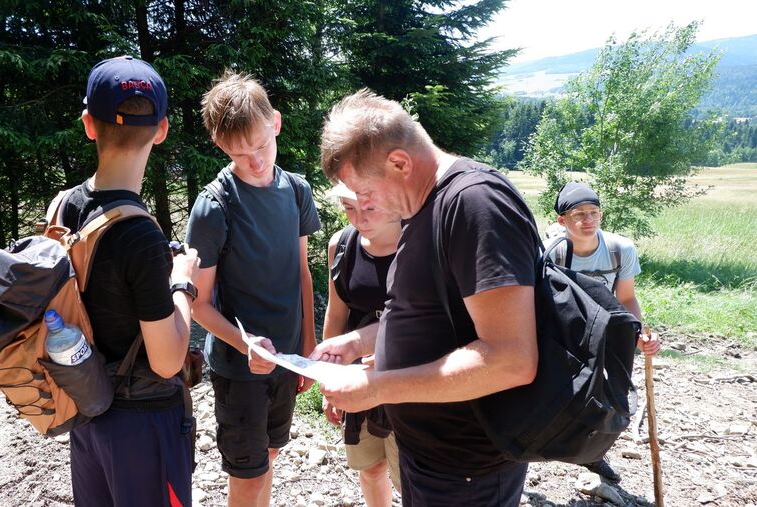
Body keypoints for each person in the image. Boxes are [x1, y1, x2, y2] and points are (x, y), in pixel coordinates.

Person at [310, 89, 540, 507]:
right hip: (428, 455)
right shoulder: (421, 207)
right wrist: (359, 342)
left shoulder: (474, 204)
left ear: (399, 162)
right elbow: (431, 316)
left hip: (467, 465)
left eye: (363, 191)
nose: (361, 207)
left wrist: (377, 388)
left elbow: (510, 359)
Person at [62, 56, 201, 506]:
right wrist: (182, 283)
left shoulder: (63, 208)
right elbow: (165, 362)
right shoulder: (140, 236)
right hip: (144, 426)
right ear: (160, 130)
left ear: (89, 124)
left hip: (87, 413)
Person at [185, 71, 321, 507]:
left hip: (287, 357)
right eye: (240, 154)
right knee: (248, 473)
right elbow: (199, 305)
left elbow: (302, 272)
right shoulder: (214, 206)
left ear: (276, 123)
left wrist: (308, 344)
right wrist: (245, 345)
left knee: (270, 452)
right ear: (222, 148)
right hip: (238, 368)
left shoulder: (297, 191)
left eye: (261, 146)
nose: (256, 162)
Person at [546, 181, 662, 482]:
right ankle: (531, 452)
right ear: (562, 220)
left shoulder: (620, 249)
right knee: (554, 395)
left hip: (607, 329)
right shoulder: (552, 252)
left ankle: (593, 456)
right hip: (564, 329)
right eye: (578, 214)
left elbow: (625, 299)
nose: (588, 220)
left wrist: (637, 334)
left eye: (594, 212)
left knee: (613, 397)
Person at [322, 183, 401, 507]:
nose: (359, 218)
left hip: (409, 382)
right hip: (357, 377)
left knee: (410, 477)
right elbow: (336, 311)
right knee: (369, 468)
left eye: (368, 208)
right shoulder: (341, 244)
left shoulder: (419, 243)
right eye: (348, 207)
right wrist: (329, 381)